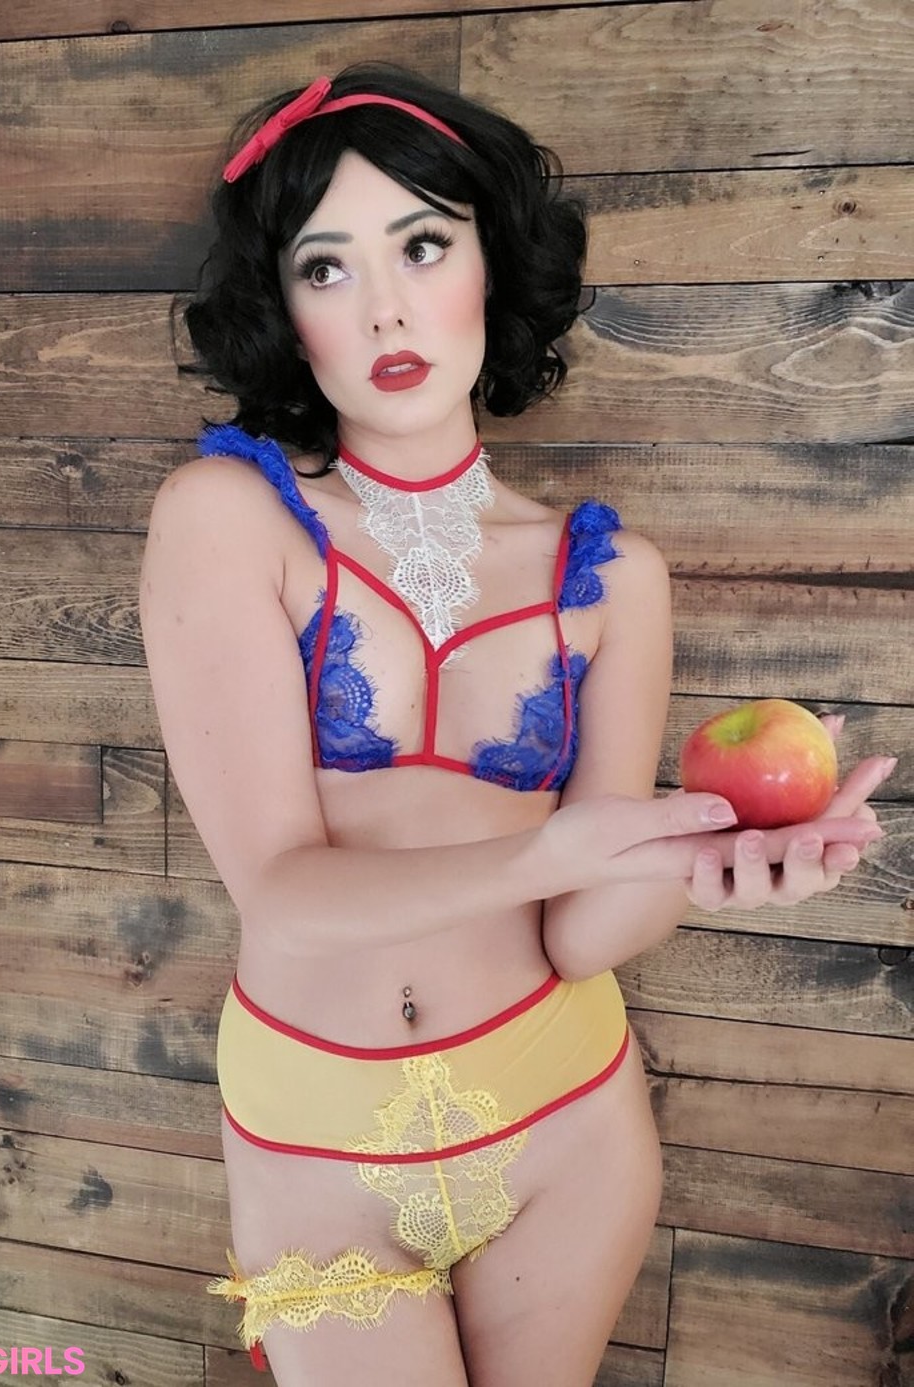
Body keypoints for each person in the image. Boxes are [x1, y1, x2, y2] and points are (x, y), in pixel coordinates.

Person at [138, 63, 892, 1387]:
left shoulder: (615, 578)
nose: (384, 306)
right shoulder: (227, 519)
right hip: (320, 1136)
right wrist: (550, 852)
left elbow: (581, 934)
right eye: (327, 267)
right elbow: (282, 892)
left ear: (493, 262)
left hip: (565, 1118)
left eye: (424, 245)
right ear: (286, 313)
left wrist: (695, 863)